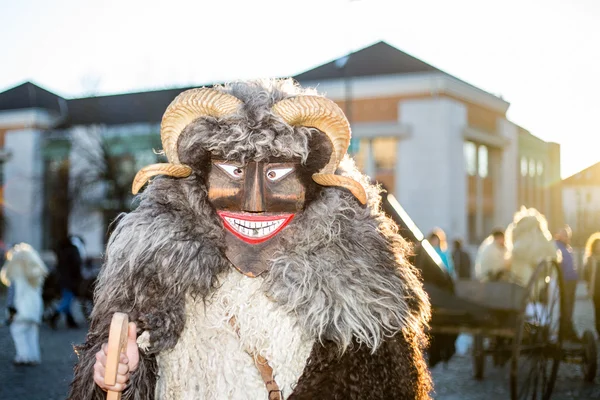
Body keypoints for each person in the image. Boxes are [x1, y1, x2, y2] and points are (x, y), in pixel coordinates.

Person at [68, 79, 432, 399]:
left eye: (277, 173)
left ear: (313, 185)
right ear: (199, 180)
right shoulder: (152, 281)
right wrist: (121, 374)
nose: (254, 204)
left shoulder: (358, 294)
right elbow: (107, 379)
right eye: (233, 171)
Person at [1, 243, 48, 365]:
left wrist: (10, 311)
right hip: (34, 309)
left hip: (21, 310)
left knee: (18, 331)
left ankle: (23, 356)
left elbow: (11, 297)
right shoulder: (35, 277)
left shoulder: (15, 277)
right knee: (32, 332)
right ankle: (33, 356)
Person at [49, 236, 83, 329]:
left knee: (67, 299)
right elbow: (77, 265)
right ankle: (54, 316)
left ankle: (70, 320)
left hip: (62, 279)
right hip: (71, 280)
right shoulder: (73, 251)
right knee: (67, 299)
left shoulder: (60, 251)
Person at [555, 225, 579, 340]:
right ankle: (564, 330)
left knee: (569, 307)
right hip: (563, 282)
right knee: (565, 306)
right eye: (563, 234)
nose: (565, 237)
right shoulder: (556, 246)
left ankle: (568, 326)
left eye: (567, 235)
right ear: (558, 235)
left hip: (571, 281)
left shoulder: (568, 248)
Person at [583, 232, 600, 338]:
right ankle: (599, 331)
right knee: (597, 312)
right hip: (596, 291)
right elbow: (586, 274)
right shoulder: (590, 259)